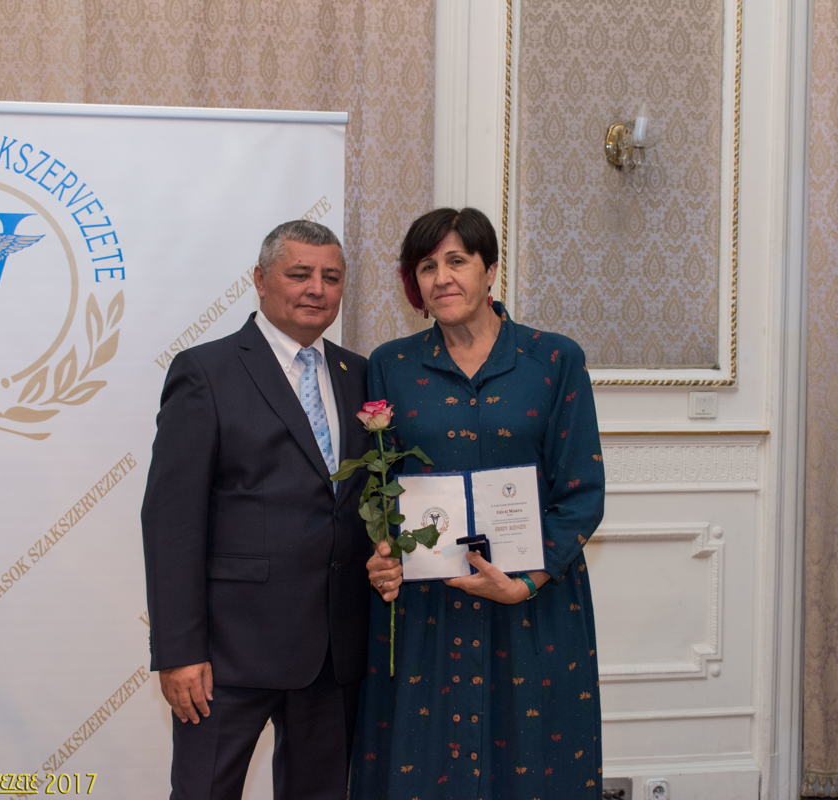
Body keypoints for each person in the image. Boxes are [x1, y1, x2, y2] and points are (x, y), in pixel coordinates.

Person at [349, 207, 607, 799]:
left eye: (457, 261)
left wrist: (528, 581)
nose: (441, 277)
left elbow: (582, 491)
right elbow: (380, 483)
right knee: (422, 760)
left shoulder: (554, 359)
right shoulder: (391, 364)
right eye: (427, 266)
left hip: (533, 601)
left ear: (489, 271)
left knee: (534, 757)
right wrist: (383, 549)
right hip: (427, 606)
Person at [140, 219, 375, 800]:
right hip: (227, 655)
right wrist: (179, 651)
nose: (316, 289)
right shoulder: (206, 371)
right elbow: (171, 523)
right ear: (261, 280)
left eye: (331, 277)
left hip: (333, 653)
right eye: (299, 274)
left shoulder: (359, 375)